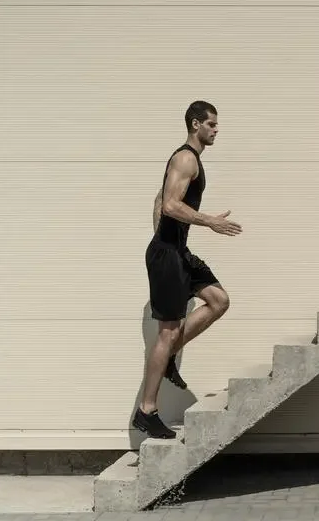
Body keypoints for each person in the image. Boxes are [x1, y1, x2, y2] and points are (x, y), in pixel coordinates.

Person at [132, 101, 243, 439]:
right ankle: (146, 411)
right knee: (167, 332)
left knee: (219, 300)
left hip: (176, 251)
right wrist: (206, 222)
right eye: (211, 124)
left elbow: (157, 200)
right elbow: (168, 204)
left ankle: (169, 357)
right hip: (168, 254)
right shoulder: (185, 158)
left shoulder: (191, 160)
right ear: (195, 124)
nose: (216, 129)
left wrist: (167, 241)